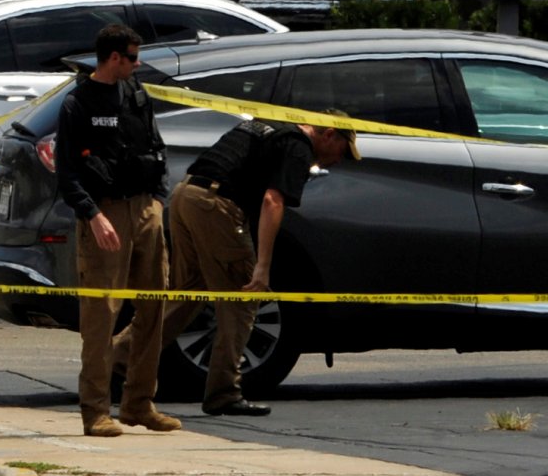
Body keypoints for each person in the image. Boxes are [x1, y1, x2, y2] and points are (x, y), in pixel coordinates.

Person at [158, 115, 358, 417]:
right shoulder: (298, 147)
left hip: (187, 195)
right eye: (343, 149)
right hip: (216, 207)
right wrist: (262, 266)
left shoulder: (273, 124)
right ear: (329, 134)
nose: (339, 159)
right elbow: (272, 201)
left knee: (188, 294)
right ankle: (223, 393)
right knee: (243, 300)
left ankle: (118, 360)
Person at [57, 25, 181, 438]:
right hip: (104, 213)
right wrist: (93, 214)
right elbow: (68, 171)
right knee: (100, 316)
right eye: (131, 56)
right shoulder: (78, 103)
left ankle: (139, 403)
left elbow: (157, 148)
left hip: (144, 207)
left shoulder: (137, 95)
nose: (137, 62)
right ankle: (95, 410)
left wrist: (158, 201)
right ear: (112, 57)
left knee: (153, 306)